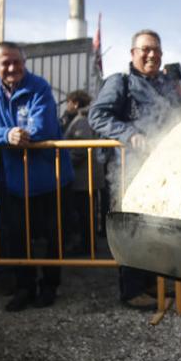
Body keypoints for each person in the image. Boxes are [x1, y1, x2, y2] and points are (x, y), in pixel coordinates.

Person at [0, 42, 74, 311]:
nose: (13, 67)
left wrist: (16, 135)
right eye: (5, 63)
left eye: (17, 61)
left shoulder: (39, 86)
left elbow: (42, 127)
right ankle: (24, 288)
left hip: (51, 176)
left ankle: (49, 286)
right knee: (17, 237)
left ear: (24, 62)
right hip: (15, 180)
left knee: (53, 236)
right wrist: (5, 135)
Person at [88, 29, 181, 310]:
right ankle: (131, 291)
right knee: (131, 229)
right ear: (133, 53)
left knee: (156, 229)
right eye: (145, 49)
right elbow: (97, 116)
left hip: (162, 170)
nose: (151, 54)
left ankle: (150, 284)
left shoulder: (167, 85)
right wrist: (129, 133)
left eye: (156, 50)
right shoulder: (120, 82)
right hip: (127, 170)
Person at [62, 90, 102, 256]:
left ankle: (87, 246)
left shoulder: (81, 121)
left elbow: (80, 149)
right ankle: (87, 244)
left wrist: (63, 163)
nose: (67, 106)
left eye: (68, 102)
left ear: (75, 103)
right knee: (85, 213)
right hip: (85, 176)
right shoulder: (83, 119)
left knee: (84, 213)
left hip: (83, 178)